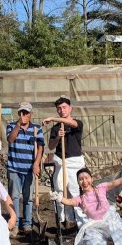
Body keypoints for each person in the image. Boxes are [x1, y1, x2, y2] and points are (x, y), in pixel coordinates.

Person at [42, 96, 84, 225]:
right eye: (59, 108)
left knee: (75, 191)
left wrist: (53, 118)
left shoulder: (77, 123)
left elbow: (73, 124)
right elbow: (51, 146)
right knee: (60, 190)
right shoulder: (56, 128)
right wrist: (58, 138)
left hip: (75, 161)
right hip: (60, 161)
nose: (62, 110)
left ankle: (79, 220)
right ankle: (62, 220)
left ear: (70, 108)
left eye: (64, 107)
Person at [5, 102, 44, 236]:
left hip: (29, 169)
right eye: (22, 112)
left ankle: (27, 223)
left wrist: (37, 164)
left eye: (26, 113)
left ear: (31, 114)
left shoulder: (36, 128)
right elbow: (11, 140)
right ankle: (14, 224)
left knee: (28, 197)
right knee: (14, 197)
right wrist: (18, 125)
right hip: (14, 167)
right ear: (18, 113)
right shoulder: (11, 126)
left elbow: (40, 148)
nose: (24, 115)